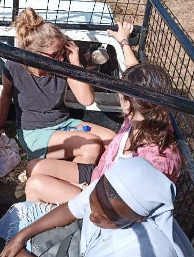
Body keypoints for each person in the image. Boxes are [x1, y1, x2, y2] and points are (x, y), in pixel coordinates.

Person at [24, 22, 182, 204]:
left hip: (103, 202)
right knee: (33, 167)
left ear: (127, 104)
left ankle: (57, 219)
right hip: (101, 175)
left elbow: (123, 205)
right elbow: (137, 74)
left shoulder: (147, 157)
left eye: (123, 93)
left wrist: (86, 193)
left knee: (35, 184)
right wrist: (123, 42)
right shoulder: (153, 116)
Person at [0, 157, 194, 257]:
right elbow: (72, 209)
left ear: (139, 219)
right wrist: (22, 235)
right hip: (78, 245)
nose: (91, 217)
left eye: (105, 218)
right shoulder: (108, 188)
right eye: (91, 205)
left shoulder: (144, 253)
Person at [0, 8, 115, 167]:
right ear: (34, 53)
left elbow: (86, 99)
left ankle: (75, 178)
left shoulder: (62, 66)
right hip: (35, 132)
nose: (60, 58)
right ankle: (74, 186)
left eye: (62, 52)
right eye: (54, 54)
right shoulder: (13, 67)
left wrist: (75, 65)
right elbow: (5, 96)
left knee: (112, 140)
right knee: (91, 146)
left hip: (64, 124)